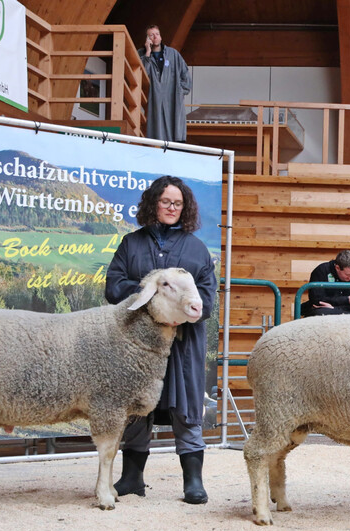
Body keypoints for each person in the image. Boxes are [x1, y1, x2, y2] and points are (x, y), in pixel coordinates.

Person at [106, 175, 217, 505]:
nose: (171, 208)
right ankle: (132, 478)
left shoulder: (196, 249)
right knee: (138, 405)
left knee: (186, 406)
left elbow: (207, 300)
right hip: (140, 345)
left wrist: (177, 311)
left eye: (177, 203)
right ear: (154, 203)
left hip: (183, 343)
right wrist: (151, 294)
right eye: (166, 201)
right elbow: (113, 287)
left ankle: (193, 482)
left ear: (185, 208)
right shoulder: (132, 244)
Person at [139, 25, 192, 142]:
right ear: (147, 39)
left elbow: (186, 75)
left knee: (176, 133)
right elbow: (141, 75)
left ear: (161, 37)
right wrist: (147, 53)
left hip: (173, 101)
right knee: (156, 135)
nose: (155, 37)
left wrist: (179, 91)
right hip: (154, 100)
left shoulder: (173, 54)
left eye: (157, 34)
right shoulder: (142, 55)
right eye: (151, 35)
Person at [302, 250, 350, 316]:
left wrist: (334, 309)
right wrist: (347, 300)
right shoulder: (322, 270)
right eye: (347, 275)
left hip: (346, 311)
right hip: (324, 310)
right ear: (337, 268)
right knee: (320, 312)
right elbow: (317, 300)